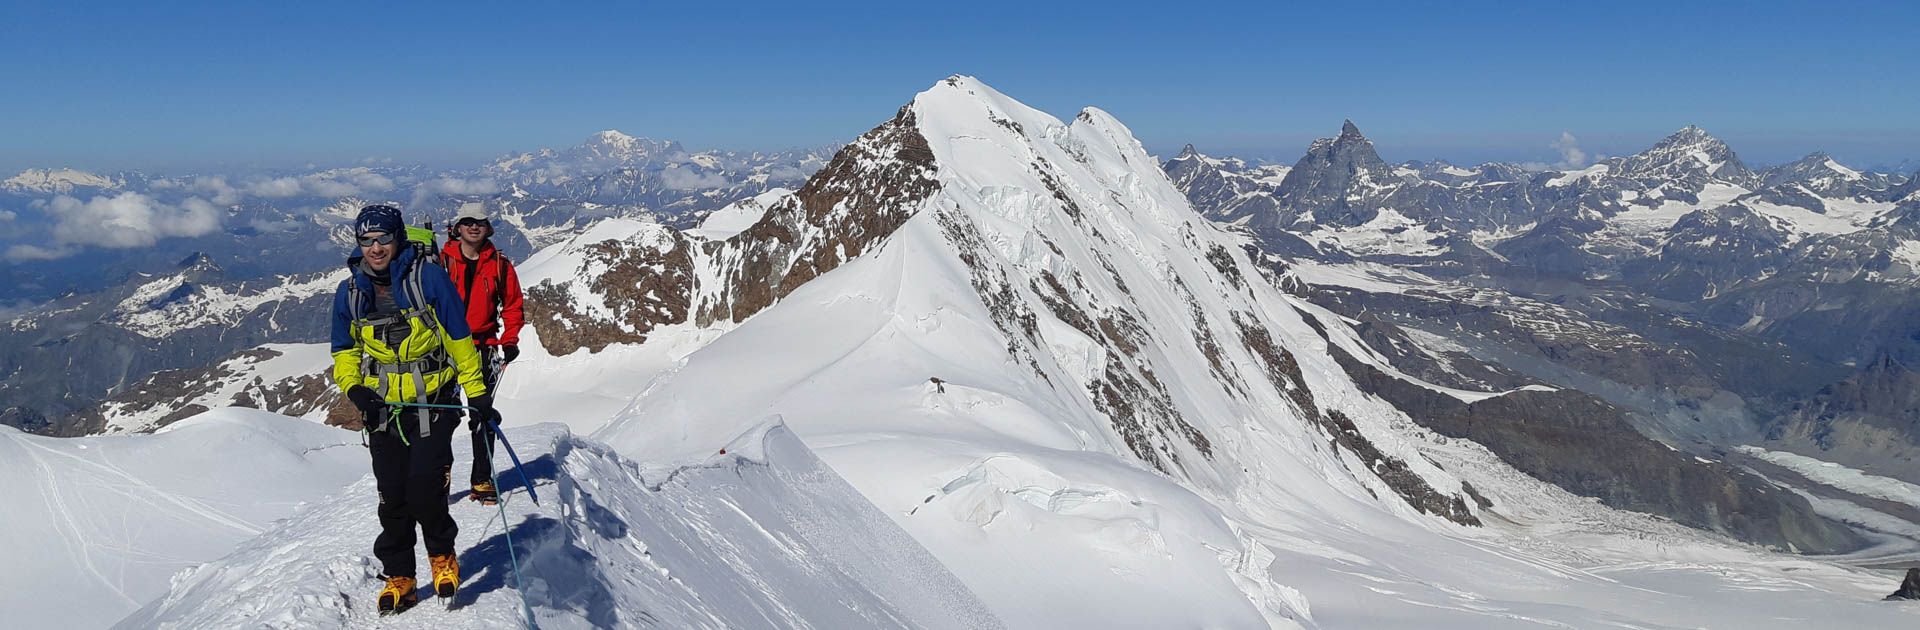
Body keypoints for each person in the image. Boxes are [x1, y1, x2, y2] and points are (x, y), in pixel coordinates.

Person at [330, 204, 493, 613]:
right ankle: (400, 575)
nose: (375, 248)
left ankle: (442, 557)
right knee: (392, 496)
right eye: (366, 241)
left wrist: (477, 395)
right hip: (383, 407)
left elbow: (458, 338)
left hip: (433, 401)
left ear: (398, 237)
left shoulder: (428, 277)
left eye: (383, 238)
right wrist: (355, 389)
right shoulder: (350, 293)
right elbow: (345, 352)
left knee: (423, 488)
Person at [439, 201, 525, 506]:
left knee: (482, 414)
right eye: (467, 222)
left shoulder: (499, 264)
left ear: (487, 227)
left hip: (483, 347)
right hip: (445, 349)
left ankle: (482, 478)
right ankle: (440, 481)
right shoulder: (440, 262)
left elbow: (513, 304)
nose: (474, 227)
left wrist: (509, 338)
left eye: (479, 222)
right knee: (442, 418)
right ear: (457, 228)